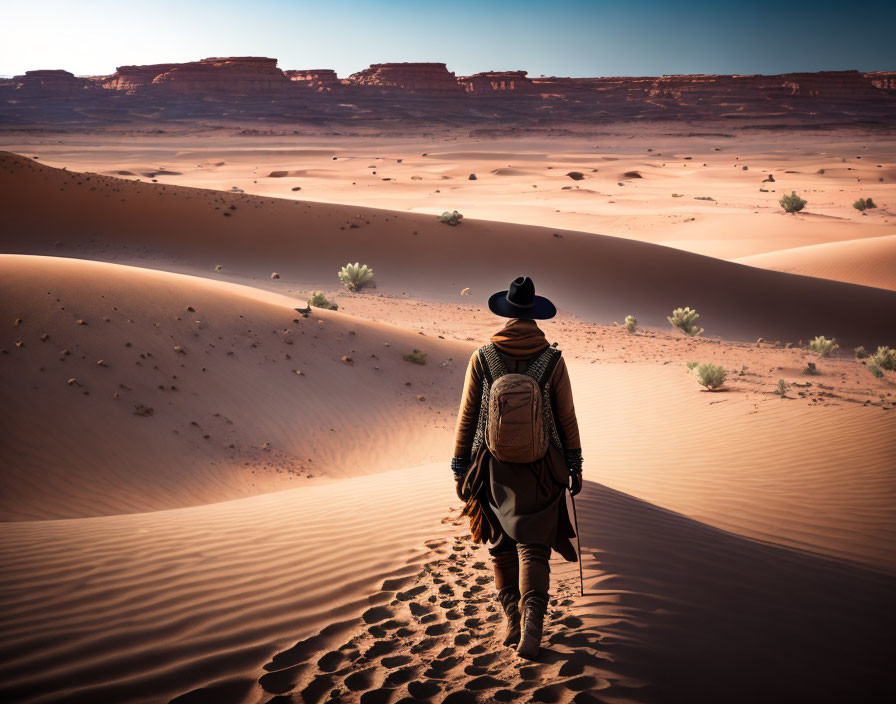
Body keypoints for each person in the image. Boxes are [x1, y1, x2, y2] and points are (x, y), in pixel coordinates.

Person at [451, 276, 583, 660]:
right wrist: (573, 464)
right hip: (542, 468)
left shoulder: (483, 356)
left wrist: (460, 466)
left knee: (501, 547)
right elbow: (566, 417)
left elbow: (467, 416)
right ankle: (531, 627)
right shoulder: (552, 360)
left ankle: (510, 618)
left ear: (506, 313)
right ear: (535, 315)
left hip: (492, 467)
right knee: (533, 549)